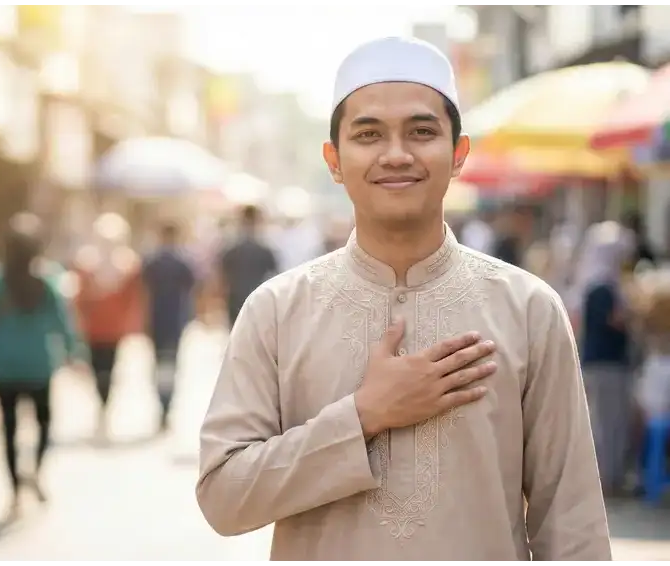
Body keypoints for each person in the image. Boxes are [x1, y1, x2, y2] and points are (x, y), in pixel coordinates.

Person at [195, 37, 611, 562]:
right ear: (334, 160)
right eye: (369, 135)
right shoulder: (276, 310)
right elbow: (224, 498)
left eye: (422, 132)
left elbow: (572, 526)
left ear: (458, 153)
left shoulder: (528, 309)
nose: (396, 154)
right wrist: (362, 417)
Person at [0, 213, 82, 516]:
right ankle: (35, 469)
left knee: (8, 427)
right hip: (39, 364)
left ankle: (14, 490)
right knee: (44, 422)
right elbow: (63, 322)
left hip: (3, 366)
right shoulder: (48, 280)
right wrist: (75, 353)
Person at [73, 213, 144, 442]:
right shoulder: (87, 263)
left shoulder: (127, 264)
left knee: (108, 370)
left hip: (113, 330)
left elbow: (132, 300)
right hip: (94, 328)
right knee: (97, 370)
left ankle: (104, 409)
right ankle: (101, 407)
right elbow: (80, 299)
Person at [577, 221, 635, 496]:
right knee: (608, 424)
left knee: (605, 422)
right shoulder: (602, 288)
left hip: (599, 362)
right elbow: (612, 322)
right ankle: (607, 481)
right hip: (606, 364)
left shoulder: (594, 283)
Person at [141, 222, 196, 433]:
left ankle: (162, 404)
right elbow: (192, 289)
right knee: (170, 364)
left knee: (158, 363)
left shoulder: (152, 261)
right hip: (175, 319)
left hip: (156, 318)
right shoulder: (183, 262)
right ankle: (166, 404)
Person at [218, 205, 278, 326]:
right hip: (259, 301)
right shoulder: (265, 251)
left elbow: (222, 279)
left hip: (235, 300)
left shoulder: (230, 251)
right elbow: (274, 277)